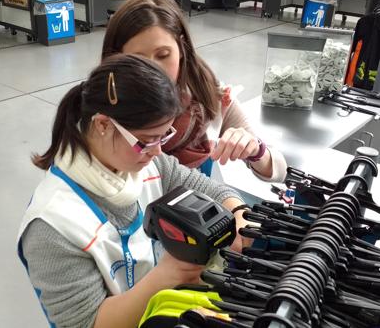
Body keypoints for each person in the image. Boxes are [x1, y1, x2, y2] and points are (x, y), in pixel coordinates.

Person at [18, 54, 251, 328]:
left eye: (164, 136)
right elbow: (86, 323)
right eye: (146, 141)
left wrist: (238, 214)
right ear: (103, 125)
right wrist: (167, 275)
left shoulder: (150, 163)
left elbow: (208, 188)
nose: (158, 151)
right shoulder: (52, 227)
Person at [102, 0, 287, 181]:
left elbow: (279, 171)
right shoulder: (102, 110)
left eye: (163, 55)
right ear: (117, 59)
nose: (153, 70)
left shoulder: (209, 98)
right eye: (138, 60)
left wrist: (255, 150)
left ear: (181, 48)